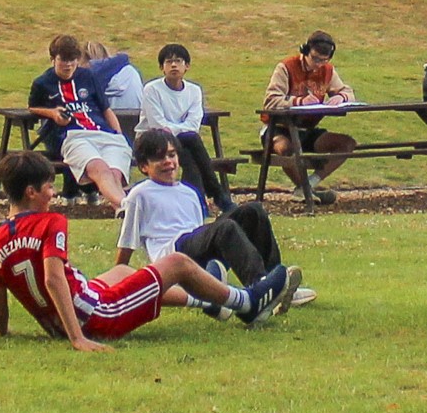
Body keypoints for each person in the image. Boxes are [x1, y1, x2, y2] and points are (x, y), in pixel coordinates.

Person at [0, 150, 166, 352]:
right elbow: (53, 279)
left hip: (57, 326)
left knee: (121, 272)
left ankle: (196, 300)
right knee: (178, 263)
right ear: (31, 192)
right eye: (49, 187)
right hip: (93, 318)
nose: (54, 193)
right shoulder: (50, 222)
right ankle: (205, 300)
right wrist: (77, 338)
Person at [114, 128, 298, 319]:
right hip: (173, 254)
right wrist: (117, 282)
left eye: (172, 155)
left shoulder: (189, 193)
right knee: (225, 229)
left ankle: (270, 281)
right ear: (144, 166)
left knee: (253, 211)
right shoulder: (140, 194)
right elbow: (127, 242)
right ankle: (260, 291)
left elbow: (201, 233)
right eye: (160, 158)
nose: (168, 162)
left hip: (194, 245)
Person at [29, 33, 135, 210]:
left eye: (73, 60)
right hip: (74, 136)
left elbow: (106, 109)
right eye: (63, 60)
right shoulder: (43, 83)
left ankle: (122, 209)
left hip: (104, 133)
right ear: (53, 59)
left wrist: (118, 134)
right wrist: (53, 113)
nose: (69, 65)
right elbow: (33, 107)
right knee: (99, 168)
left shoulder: (88, 77)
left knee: (115, 173)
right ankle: (125, 207)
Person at [262, 30, 357, 205]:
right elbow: (270, 101)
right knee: (287, 150)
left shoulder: (327, 71)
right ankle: (307, 190)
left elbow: (347, 91)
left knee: (347, 144)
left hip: (307, 130)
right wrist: (299, 101)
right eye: (315, 59)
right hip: (279, 128)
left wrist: (340, 97)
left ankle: (307, 186)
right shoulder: (285, 68)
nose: (319, 64)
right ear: (305, 52)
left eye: (324, 60)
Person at [132, 42, 229, 207]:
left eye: (178, 61)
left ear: (187, 66)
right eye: (169, 62)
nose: (174, 65)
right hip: (151, 140)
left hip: (184, 141)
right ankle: (216, 194)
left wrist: (177, 131)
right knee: (191, 141)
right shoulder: (152, 89)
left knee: (190, 156)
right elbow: (158, 125)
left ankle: (198, 204)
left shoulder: (194, 91)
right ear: (162, 67)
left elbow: (194, 124)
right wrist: (181, 131)